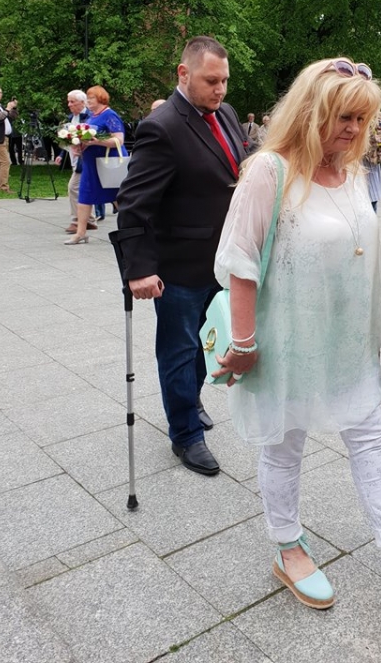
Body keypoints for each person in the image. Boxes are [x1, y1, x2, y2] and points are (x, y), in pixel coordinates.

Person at [212, 57, 381, 610]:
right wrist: (245, 342)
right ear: (310, 112)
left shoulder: (350, 173)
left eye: (362, 119)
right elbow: (240, 262)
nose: (354, 130)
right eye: (343, 117)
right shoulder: (269, 171)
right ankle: (287, 547)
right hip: (286, 339)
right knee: (285, 443)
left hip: (347, 341)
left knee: (368, 437)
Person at [114, 36, 246, 477]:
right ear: (183, 74)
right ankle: (186, 434)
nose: (220, 89)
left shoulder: (225, 114)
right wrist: (139, 269)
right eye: (211, 80)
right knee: (178, 350)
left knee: (205, 344)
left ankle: (190, 401)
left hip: (221, 260)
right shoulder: (162, 126)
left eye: (224, 80)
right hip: (179, 265)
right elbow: (133, 203)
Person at [64, 86, 125, 244]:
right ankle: (80, 233)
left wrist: (97, 142)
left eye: (91, 98)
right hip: (91, 164)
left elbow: (119, 140)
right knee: (84, 196)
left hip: (107, 164)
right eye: (87, 98)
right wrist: (79, 146)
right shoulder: (92, 116)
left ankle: (131, 228)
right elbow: (87, 138)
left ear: (101, 99)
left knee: (118, 197)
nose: (88, 101)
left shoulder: (110, 115)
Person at [54, 90, 98, 235]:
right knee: (85, 188)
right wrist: (62, 154)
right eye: (68, 101)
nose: (69, 104)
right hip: (76, 159)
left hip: (86, 159)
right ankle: (90, 220)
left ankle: (77, 221)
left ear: (82, 103)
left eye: (72, 102)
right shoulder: (71, 118)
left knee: (73, 187)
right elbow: (69, 139)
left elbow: (93, 138)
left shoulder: (91, 117)